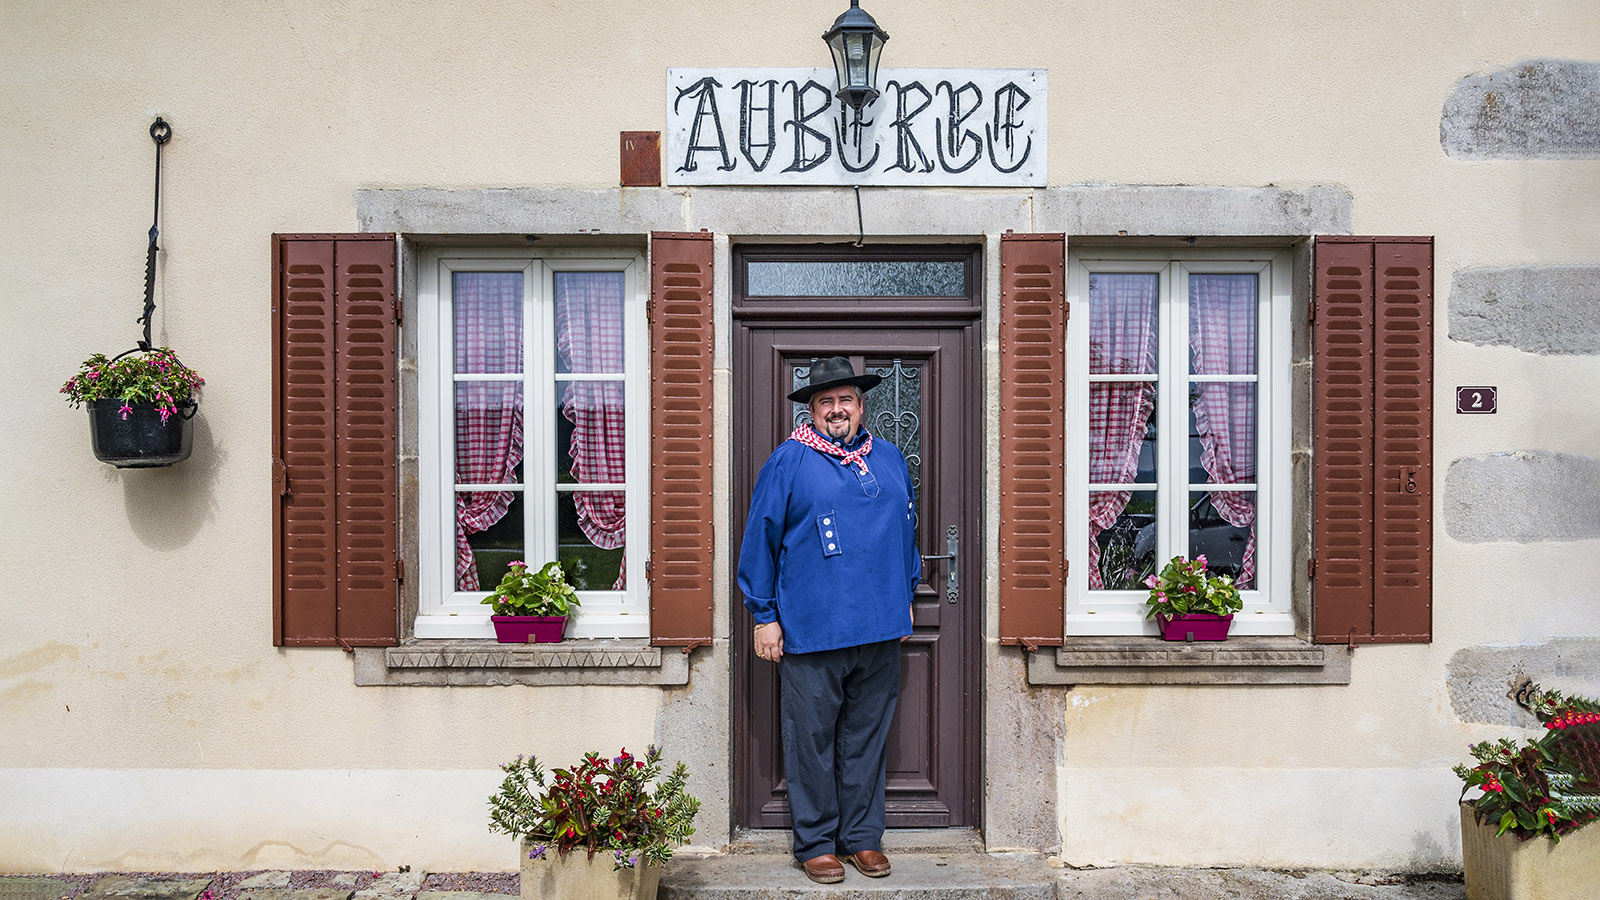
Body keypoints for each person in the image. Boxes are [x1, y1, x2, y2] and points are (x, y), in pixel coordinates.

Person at [737, 356, 920, 884]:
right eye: (826, 402)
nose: (837, 409)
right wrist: (764, 616)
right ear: (812, 410)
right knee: (811, 741)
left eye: (846, 400)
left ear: (861, 407)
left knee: (866, 737)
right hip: (812, 629)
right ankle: (816, 842)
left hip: (881, 626)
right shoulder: (788, 462)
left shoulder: (887, 458)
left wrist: (905, 592)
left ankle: (862, 838)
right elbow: (760, 542)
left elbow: (906, 531)